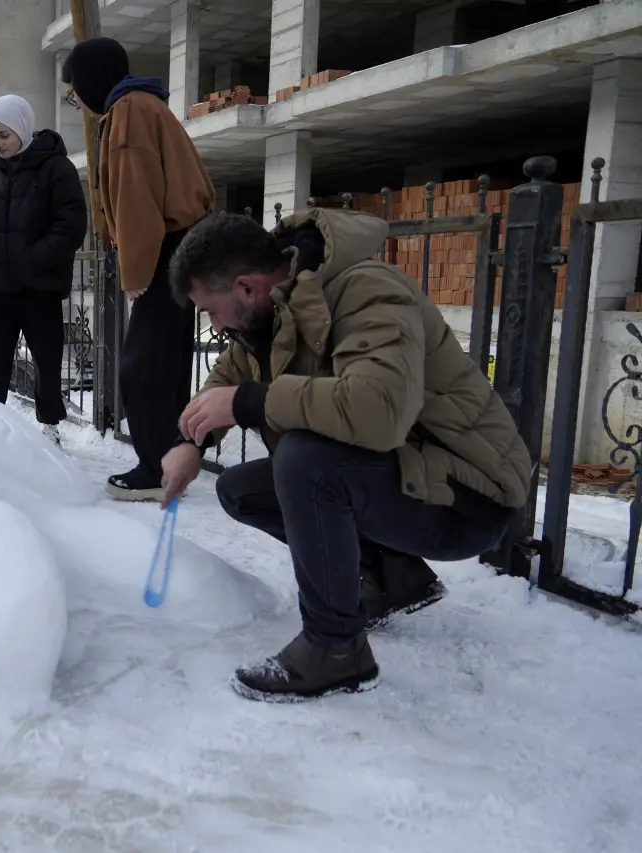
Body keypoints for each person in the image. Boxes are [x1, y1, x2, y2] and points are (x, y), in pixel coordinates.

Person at [161, 209, 532, 703]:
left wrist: (249, 402)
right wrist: (193, 443)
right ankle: (392, 577)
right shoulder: (266, 317)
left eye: (210, 309)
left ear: (247, 288)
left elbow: (378, 411)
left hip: (470, 496)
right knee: (242, 490)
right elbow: (227, 380)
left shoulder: (367, 290)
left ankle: (336, 649)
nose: (213, 324)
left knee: (306, 462)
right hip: (411, 475)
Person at [61, 37, 215, 500]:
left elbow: (136, 201)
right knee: (165, 360)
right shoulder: (145, 106)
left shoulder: (128, 113)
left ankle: (154, 469)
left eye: (74, 90)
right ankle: (171, 460)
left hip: (165, 248)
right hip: (183, 243)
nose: (77, 101)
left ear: (91, 80)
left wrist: (137, 276)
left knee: (140, 366)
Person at [0, 95, 88, 447]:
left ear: (23, 129)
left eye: (3, 135)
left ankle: (49, 425)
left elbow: (71, 224)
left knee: (47, 359)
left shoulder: (56, 168)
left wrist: (34, 257)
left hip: (39, 284)